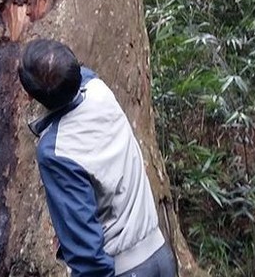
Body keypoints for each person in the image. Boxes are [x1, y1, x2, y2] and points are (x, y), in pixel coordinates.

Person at [17, 38, 177, 277]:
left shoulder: (55, 151)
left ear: (28, 95)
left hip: (124, 269)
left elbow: (85, 250)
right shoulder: (99, 90)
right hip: (161, 255)